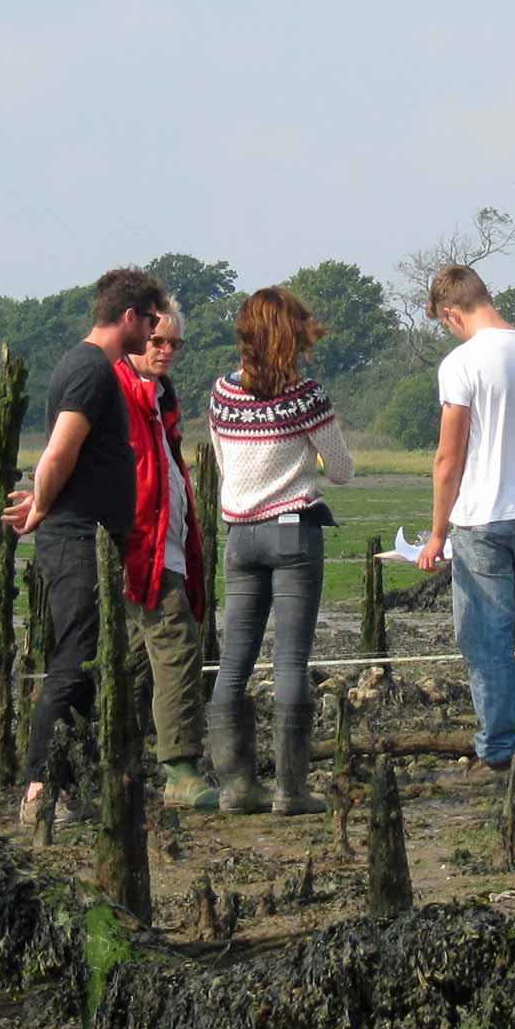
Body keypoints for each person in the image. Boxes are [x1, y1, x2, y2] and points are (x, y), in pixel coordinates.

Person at [3, 268, 167, 828]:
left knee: (88, 662)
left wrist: (45, 498)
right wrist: (42, 505)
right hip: (74, 538)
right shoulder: (93, 370)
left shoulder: (97, 368)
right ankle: (39, 790)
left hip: (90, 536)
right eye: (150, 320)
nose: (153, 331)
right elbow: (60, 448)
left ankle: (68, 787)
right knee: (72, 664)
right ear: (128, 317)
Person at [415, 265, 515, 783]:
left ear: (451, 312)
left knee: (487, 637)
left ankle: (498, 754)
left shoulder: (462, 362)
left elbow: (449, 457)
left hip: (482, 517)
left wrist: (438, 533)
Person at [205, 287, 353, 815]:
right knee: (290, 660)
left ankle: (236, 788)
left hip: (240, 536)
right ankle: (291, 791)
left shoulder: (222, 393)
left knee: (234, 663)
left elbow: (223, 465)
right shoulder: (306, 396)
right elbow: (341, 468)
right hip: (293, 530)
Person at [115, 298, 214, 809]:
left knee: (133, 661)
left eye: (175, 343)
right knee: (177, 649)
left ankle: (113, 760)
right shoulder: (116, 390)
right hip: (142, 550)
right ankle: (181, 770)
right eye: (158, 341)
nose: (167, 350)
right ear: (136, 337)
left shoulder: (160, 396)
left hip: (167, 545)